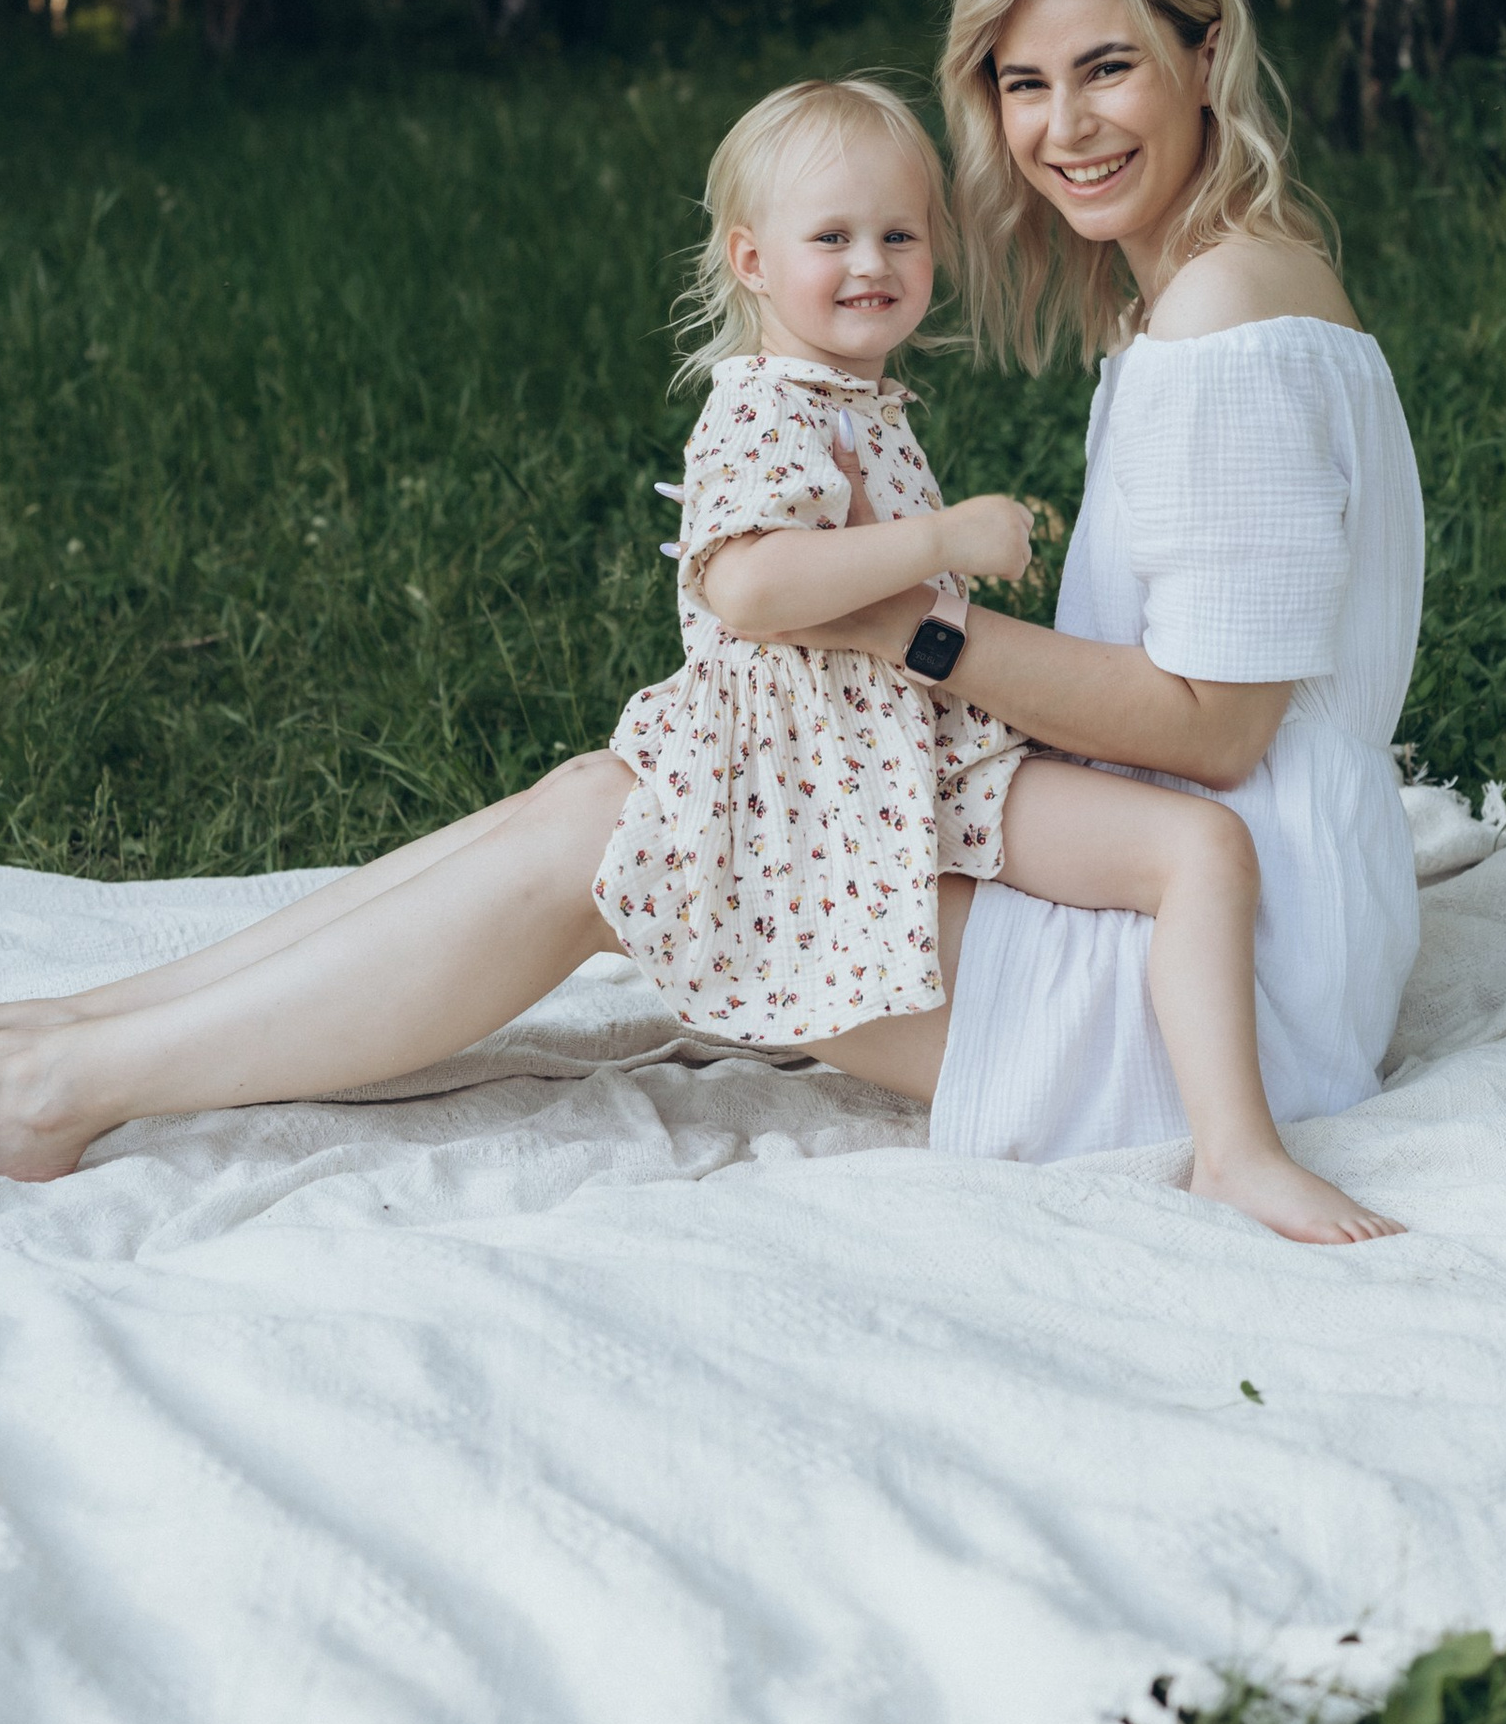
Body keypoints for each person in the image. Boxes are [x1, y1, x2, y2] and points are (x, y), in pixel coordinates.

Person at [0, 0, 1424, 1239]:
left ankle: (44, 1090)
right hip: (1197, 888)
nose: (1064, 125)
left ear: (1208, 51)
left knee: (620, 839)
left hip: (1221, 986)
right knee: (591, 800)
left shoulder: (1224, 333)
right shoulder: (1216, 294)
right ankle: (52, 1035)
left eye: (1110, 65)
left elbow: (1216, 728)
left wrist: (903, 634)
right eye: (1023, 80)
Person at [589, 70, 1395, 1238]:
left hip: (918, 755)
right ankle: (1236, 1144)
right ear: (752, 260)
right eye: (832, 237)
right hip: (823, 772)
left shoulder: (855, 400)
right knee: (1195, 847)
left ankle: (1233, 1151)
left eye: (899, 235)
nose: (871, 264)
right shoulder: (765, 406)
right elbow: (747, 582)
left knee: (1201, 849)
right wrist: (940, 539)